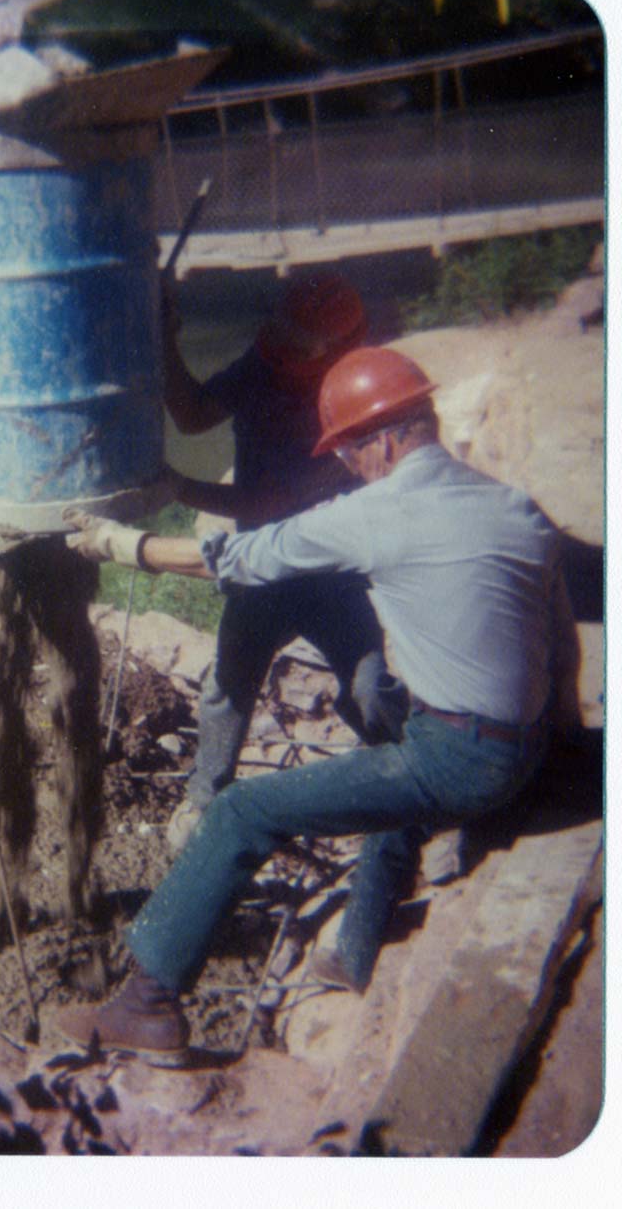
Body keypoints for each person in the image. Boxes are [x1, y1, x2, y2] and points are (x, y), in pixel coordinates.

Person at [58, 346, 579, 1065]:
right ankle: (355, 951)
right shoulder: (514, 506)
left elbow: (245, 556)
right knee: (385, 762)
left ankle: (147, 1003)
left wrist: (125, 544)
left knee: (244, 809)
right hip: (526, 743)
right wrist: (560, 748)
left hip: (463, 758)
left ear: (386, 441)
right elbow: (562, 644)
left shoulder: (378, 513)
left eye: (350, 453)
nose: (348, 467)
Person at [158, 269, 408, 856]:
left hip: (327, 571)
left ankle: (407, 785)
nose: (285, 352)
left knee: (368, 683)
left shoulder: (354, 400)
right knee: (227, 687)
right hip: (260, 572)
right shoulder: (264, 364)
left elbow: (265, 501)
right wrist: (165, 336)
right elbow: (193, 415)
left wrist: (180, 489)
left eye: (300, 346)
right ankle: (204, 800)